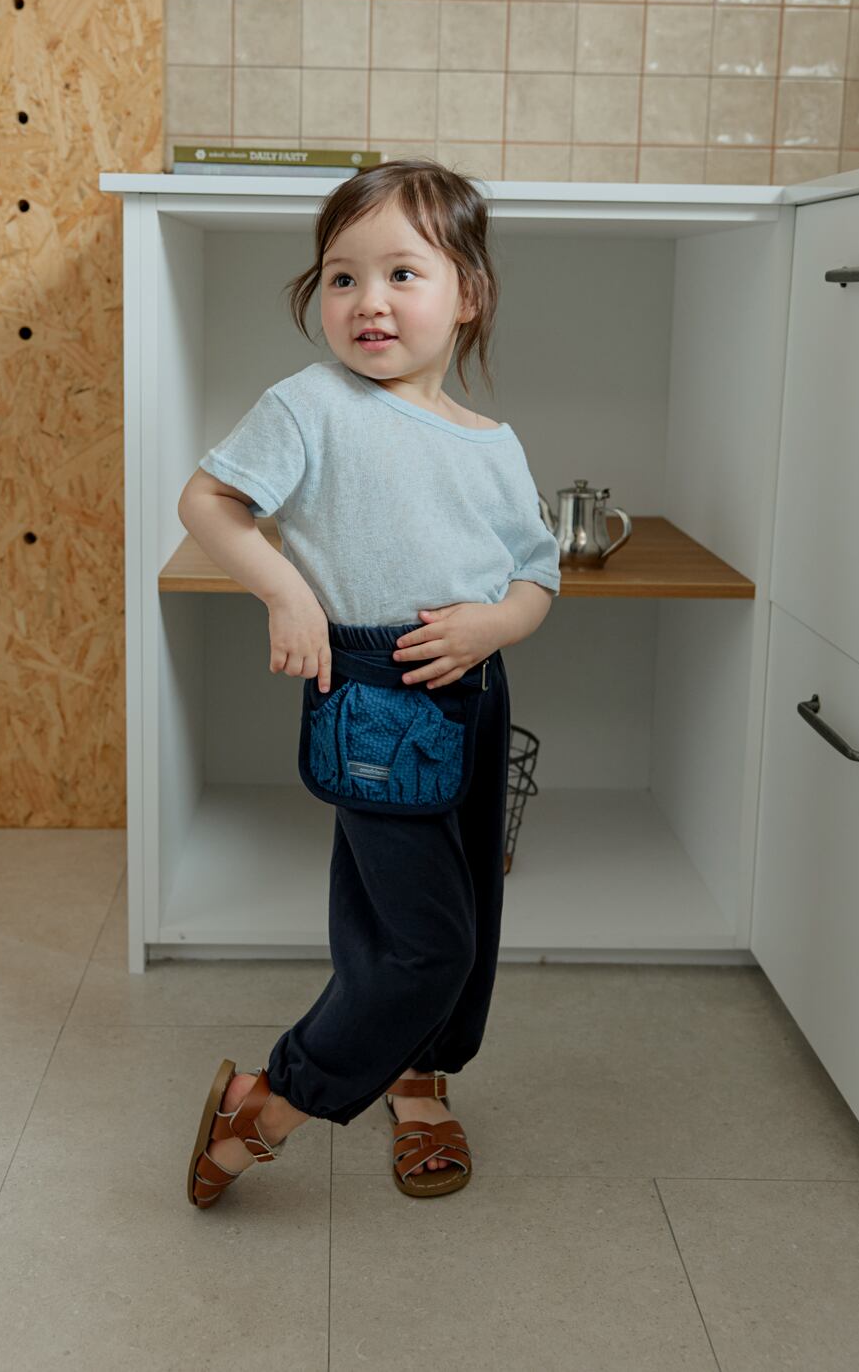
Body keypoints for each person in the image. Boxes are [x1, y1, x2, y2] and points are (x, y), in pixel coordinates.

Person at [178, 157, 560, 1204]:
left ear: (468, 294)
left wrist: (498, 622)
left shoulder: (493, 444)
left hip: (474, 690)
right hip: (373, 702)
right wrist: (287, 593)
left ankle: (419, 1079)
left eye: (402, 273)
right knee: (425, 945)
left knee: (463, 916)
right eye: (341, 277)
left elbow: (537, 573)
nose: (368, 301)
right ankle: (270, 1104)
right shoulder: (312, 404)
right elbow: (209, 502)